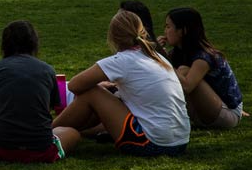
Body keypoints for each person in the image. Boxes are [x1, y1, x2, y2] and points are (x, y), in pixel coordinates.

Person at [51, 10, 190, 156]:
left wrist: (100, 86)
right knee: (108, 93)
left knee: (93, 92)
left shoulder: (122, 60)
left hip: (153, 144)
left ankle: (47, 134)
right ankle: (64, 132)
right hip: (179, 142)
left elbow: (74, 85)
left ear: (113, 37)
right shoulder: (156, 57)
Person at [0, 20, 64, 162]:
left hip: (0, 148)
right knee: (73, 133)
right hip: (41, 149)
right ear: (34, 43)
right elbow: (51, 109)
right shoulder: (47, 70)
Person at [161, 7, 244, 130]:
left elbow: (187, 87)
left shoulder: (203, 57)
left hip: (227, 116)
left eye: (168, 27)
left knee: (184, 71)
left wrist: (162, 59)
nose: (165, 31)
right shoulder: (179, 53)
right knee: (177, 71)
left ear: (183, 31)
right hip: (204, 113)